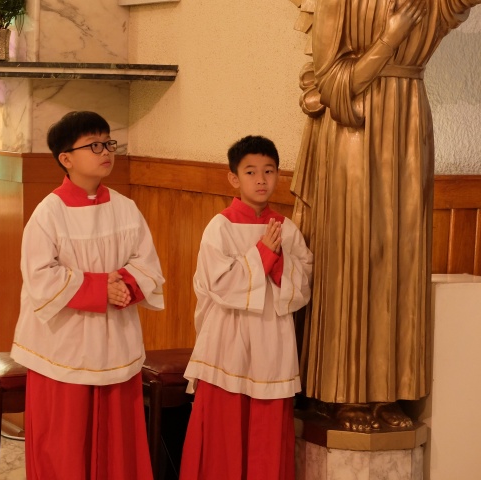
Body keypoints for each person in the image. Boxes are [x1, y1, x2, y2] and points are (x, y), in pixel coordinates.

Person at [291, 0, 481, 430]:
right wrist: (388, 39)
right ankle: (344, 392)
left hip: (409, 124)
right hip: (355, 127)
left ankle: (386, 391)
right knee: (355, 253)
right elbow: (330, 82)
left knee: (401, 257)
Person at [10, 111, 165, 479]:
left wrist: (124, 287)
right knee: (65, 443)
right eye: (93, 145)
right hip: (63, 346)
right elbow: (39, 277)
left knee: (117, 442)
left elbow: (147, 263)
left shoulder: (125, 208)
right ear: (66, 158)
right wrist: (99, 288)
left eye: (108, 142)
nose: (105, 151)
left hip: (115, 343)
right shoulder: (49, 213)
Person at [180, 135, 313, 480]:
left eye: (269, 171)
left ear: (278, 175)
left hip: (272, 342)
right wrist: (264, 254)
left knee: (266, 437)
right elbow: (219, 285)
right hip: (227, 343)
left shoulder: (287, 229)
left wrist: (278, 260)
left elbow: (303, 286)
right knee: (223, 434)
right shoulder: (220, 227)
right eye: (251, 172)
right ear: (234, 178)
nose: (261, 179)